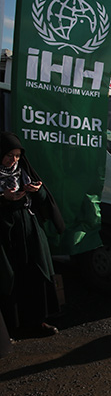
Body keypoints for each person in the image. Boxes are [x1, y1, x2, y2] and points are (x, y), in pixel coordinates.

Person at [0, 132, 64, 339]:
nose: (14, 160)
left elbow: (44, 200)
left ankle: (38, 321)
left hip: (30, 230)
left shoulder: (24, 171)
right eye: (9, 155)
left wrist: (37, 191)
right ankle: (10, 327)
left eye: (17, 155)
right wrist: (4, 198)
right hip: (6, 235)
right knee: (10, 278)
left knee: (36, 273)